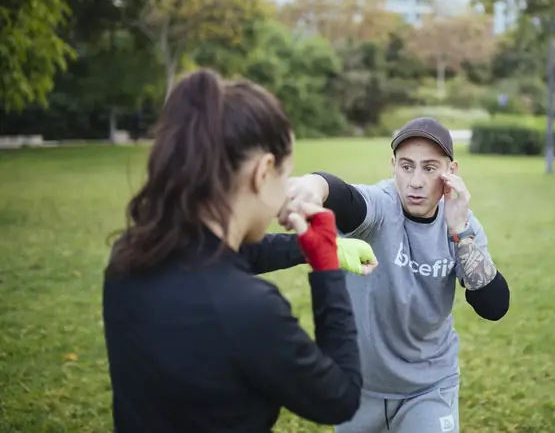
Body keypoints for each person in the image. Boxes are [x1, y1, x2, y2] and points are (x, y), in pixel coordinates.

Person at [102, 69, 378, 433]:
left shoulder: (130, 258)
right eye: (286, 176)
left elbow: (223, 256)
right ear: (263, 172)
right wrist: (326, 271)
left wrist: (306, 247)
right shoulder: (248, 309)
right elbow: (339, 397)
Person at [280, 117, 511, 433]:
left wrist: (460, 231)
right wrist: (315, 185)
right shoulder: (381, 205)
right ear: (393, 166)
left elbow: (494, 306)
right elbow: (347, 198)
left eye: (429, 168)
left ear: (451, 171)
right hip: (360, 386)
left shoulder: (462, 225)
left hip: (429, 386)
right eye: (406, 166)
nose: (415, 181)